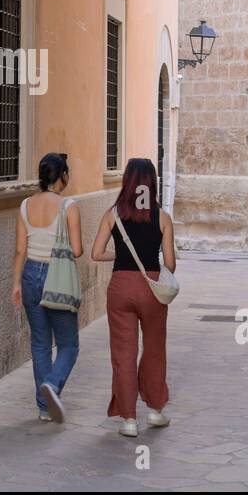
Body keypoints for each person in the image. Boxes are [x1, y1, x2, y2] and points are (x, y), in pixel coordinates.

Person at [90, 157, 176, 437]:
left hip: (121, 287)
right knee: (153, 348)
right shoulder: (162, 217)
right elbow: (171, 264)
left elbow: (96, 253)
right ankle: (154, 410)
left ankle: (128, 419)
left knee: (123, 353)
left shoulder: (112, 214)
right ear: (152, 183)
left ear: (127, 182)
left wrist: (124, 255)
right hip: (151, 287)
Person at [11, 152, 83, 422]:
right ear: (62, 176)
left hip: (30, 274)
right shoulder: (69, 206)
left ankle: (44, 408)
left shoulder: (24, 205)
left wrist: (16, 283)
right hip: (58, 277)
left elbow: (20, 250)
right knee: (68, 345)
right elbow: (76, 250)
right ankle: (52, 384)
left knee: (40, 344)